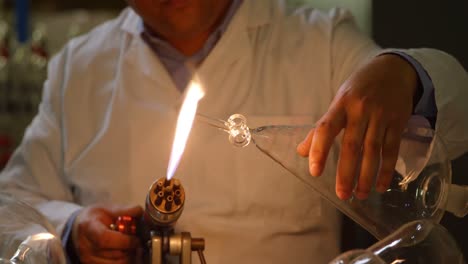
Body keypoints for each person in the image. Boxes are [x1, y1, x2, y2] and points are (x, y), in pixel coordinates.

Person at [1, 0, 468, 263]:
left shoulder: (319, 41)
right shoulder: (77, 67)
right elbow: (10, 205)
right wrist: (69, 230)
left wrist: (405, 74)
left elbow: (456, 110)